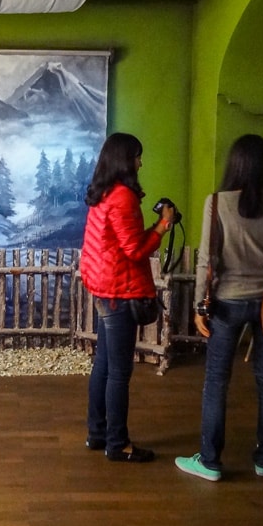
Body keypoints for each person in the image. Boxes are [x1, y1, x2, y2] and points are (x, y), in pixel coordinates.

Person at [175, 134, 263, 482]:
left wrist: (200, 306)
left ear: (234, 164)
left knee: (217, 380)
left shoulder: (217, 203)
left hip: (227, 302)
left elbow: (207, 260)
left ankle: (211, 462)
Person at [79, 132, 175, 463]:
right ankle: (118, 443)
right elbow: (135, 249)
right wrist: (163, 226)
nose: (140, 162)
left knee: (103, 365)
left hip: (103, 288)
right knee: (119, 372)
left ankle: (97, 433)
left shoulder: (102, 193)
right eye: (137, 156)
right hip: (119, 291)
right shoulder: (122, 197)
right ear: (124, 160)